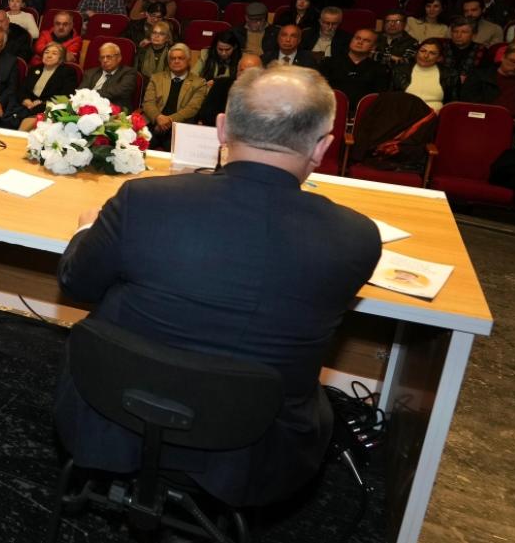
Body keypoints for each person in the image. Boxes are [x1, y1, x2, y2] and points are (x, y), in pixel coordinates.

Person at [56, 64, 379, 506]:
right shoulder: (356, 238)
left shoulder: (144, 200)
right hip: (254, 449)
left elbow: (77, 282)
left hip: (114, 413)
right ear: (323, 147)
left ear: (222, 129)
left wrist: (86, 229)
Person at [141, 43, 208, 147]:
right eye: (173, 58)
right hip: (154, 123)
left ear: (188, 60)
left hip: (180, 127)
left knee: (175, 149)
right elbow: (148, 103)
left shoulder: (199, 83)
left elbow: (192, 108)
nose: (176, 61)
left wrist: (168, 121)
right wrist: (158, 118)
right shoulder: (156, 78)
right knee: (139, 148)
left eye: (180, 58)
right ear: (168, 61)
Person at [318, 29, 390, 111]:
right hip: (331, 111)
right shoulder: (329, 63)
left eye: (366, 40)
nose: (360, 42)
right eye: (357, 38)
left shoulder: (379, 69)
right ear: (351, 40)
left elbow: (379, 99)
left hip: (363, 113)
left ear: (373, 47)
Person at [17, 42, 79, 130]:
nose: (49, 55)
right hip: (27, 105)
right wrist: (25, 99)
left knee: (27, 122)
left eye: (54, 53)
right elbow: (22, 89)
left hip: (49, 108)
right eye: (46, 52)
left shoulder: (68, 72)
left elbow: (66, 96)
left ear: (61, 58)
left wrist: (41, 102)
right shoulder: (35, 69)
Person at [195, 53, 264, 126]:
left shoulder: (265, 93)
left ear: (260, 73)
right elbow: (205, 114)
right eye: (241, 70)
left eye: (250, 72)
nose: (245, 75)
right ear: (237, 71)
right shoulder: (221, 84)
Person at [460, 43, 515, 121]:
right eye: (513, 61)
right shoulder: (479, 76)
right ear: (503, 57)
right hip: (483, 120)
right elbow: (468, 105)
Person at [392, 39, 457, 113]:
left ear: (439, 58)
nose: (426, 56)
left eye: (432, 53)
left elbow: (453, 104)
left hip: (436, 116)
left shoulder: (450, 74)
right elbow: (392, 99)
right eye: (422, 51)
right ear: (416, 53)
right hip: (405, 114)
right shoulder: (400, 71)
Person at [81, 42, 137, 110]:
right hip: (87, 109)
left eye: (109, 57)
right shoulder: (90, 73)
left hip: (115, 111)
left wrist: (91, 94)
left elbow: (118, 91)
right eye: (102, 57)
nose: (105, 60)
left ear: (119, 58)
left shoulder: (128, 73)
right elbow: (80, 92)